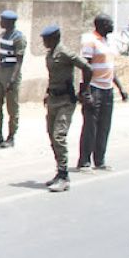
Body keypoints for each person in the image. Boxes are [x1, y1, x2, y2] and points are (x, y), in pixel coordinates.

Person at [40, 24, 92, 191]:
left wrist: (84, 90)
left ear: (55, 37)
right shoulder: (51, 54)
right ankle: (59, 171)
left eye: (46, 39)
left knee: (59, 136)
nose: (44, 42)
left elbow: (86, 67)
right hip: (53, 99)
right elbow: (53, 76)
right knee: (52, 136)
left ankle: (64, 177)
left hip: (65, 100)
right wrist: (48, 92)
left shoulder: (65, 53)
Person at [77, 14, 129, 171]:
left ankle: (99, 160)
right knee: (90, 127)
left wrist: (121, 88)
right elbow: (85, 67)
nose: (112, 25)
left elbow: (110, 69)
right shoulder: (90, 41)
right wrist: (85, 91)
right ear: (101, 25)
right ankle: (84, 161)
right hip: (94, 88)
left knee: (104, 127)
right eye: (109, 23)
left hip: (107, 90)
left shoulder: (107, 43)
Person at [0, 10, 26, 148]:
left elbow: (19, 61)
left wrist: (12, 79)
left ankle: (11, 136)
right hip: (1, 70)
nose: (1, 23)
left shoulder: (18, 37)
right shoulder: (3, 35)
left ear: (10, 22)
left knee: (12, 107)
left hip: (11, 71)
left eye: (3, 20)